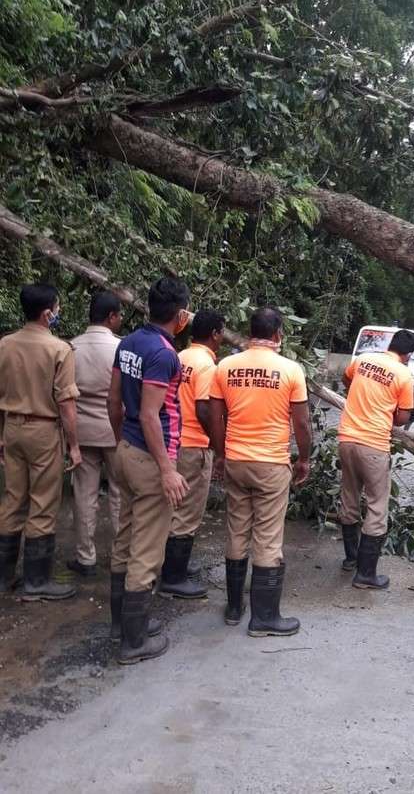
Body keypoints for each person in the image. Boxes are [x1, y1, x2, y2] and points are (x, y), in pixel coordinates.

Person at [209, 307, 312, 637]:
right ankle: (264, 618)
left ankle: (234, 608)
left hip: (236, 461)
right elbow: (302, 423)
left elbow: (215, 418)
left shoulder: (225, 366)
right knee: (267, 539)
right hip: (270, 464)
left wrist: (221, 454)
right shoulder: (291, 371)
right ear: (278, 333)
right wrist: (304, 459)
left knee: (237, 531)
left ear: (249, 331)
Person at [107, 277, 190, 665]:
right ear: (180, 315)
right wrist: (166, 470)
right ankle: (134, 642)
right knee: (146, 548)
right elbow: (150, 415)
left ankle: (120, 623)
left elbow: (114, 400)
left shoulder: (129, 343)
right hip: (149, 456)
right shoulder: (163, 353)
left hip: (125, 449)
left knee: (125, 534)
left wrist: (121, 441)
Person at [0, 284, 81, 601]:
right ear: (48, 313)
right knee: (44, 502)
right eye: (57, 308)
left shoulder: (4, 345)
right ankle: (36, 582)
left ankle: (4, 577)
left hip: (12, 429)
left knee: (12, 499)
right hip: (44, 431)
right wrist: (73, 445)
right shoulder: (59, 350)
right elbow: (66, 405)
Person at [338, 329, 414, 590]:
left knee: (349, 497)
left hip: (347, 440)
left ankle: (351, 558)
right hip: (374, 444)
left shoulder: (363, 360)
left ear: (389, 345)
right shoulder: (404, 374)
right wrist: (387, 414)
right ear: (407, 355)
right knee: (376, 505)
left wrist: (359, 398)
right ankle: (366, 574)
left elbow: (345, 379)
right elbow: (404, 416)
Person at [159, 309, 225, 599]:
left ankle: (171, 567)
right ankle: (173, 578)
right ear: (214, 334)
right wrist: (217, 445)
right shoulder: (207, 366)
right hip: (194, 445)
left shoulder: (179, 356)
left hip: (172, 441)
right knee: (188, 511)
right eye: (222, 332)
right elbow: (203, 409)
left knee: (170, 508)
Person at [68, 292, 124, 577]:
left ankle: (85, 557)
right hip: (116, 431)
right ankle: (120, 556)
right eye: (119, 315)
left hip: (81, 430)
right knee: (119, 493)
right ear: (111, 317)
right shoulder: (121, 348)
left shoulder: (72, 348)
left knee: (84, 494)